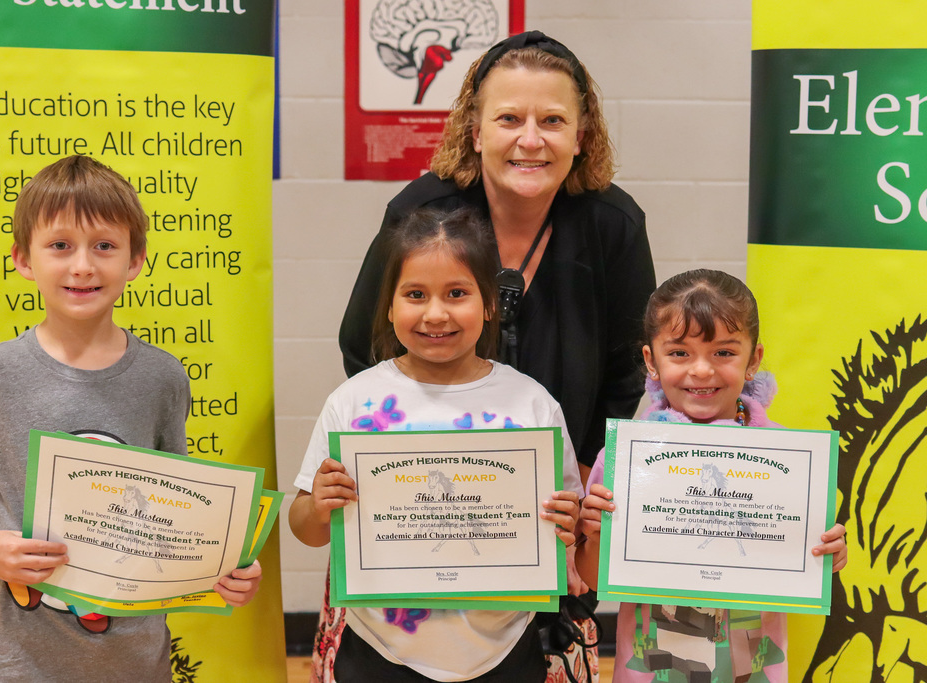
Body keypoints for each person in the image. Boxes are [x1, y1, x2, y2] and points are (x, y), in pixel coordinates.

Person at [334, 29, 651, 681]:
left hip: (553, 526)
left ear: (582, 135)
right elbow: (363, 346)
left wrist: (580, 505)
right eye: (509, 118)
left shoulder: (613, 225)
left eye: (552, 121)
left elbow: (628, 379)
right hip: (425, 520)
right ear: (474, 130)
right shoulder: (421, 211)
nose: (530, 139)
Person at [0, 155, 262, 681]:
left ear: (135, 260)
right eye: (60, 246)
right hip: (22, 664)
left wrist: (227, 571)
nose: (83, 266)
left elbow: (175, 514)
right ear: (24, 259)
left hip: (138, 662)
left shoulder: (163, 378)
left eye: (105, 246)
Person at [290, 207, 584, 682]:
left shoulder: (532, 404)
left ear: (489, 302)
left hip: (504, 647)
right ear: (388, 305)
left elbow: (569, 525)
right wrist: (320, 505)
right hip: (378, 649)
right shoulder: (354, 401)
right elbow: (306, 528)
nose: (435, 313)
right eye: (415, 294)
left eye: (457, 293)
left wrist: (568, 524)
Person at [576, 269, 848, 682]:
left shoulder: (790, 460)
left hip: (749, 665)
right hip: (654, 668)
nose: (701, 371)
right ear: (651, 360)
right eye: (680, 353)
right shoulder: (624, 458)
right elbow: (594, 577)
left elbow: (807, 565)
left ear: (753, 359)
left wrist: (829, 554)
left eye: (723, 353)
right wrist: (596, 536)